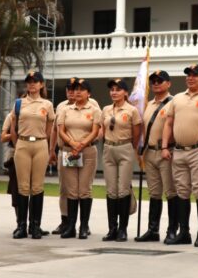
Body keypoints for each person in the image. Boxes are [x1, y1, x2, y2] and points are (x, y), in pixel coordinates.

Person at [161, 64, 198, 247]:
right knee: (182, 192)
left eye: (195, 75)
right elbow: (168, 124)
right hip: (179, 151)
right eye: (188, 75)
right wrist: (164, 146)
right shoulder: (177, 98)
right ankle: (184, 232)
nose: (190, 78)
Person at [11, 70, 56, 239]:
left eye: (35, 81)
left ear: (41, 84)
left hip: (40, 144)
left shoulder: (47, 104)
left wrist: (45, 142)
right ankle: (21, 225)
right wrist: (17, 144)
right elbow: (13, 127)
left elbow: (50, 127)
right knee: (23, 186)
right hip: (23, 143)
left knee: (37, 186)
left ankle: (35, 225)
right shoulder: (19, 103)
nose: (32, 84)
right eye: (29, 81)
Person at [56, 78, 102, 239]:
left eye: (81, 89)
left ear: (89, 93)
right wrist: (72, 144)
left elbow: (95, 131)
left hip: (87, 151)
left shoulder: (94, 110)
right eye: (75, 89)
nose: (77, 92)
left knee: (84, 189)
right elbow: (61, 130)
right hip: (70, 152)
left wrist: (81, 144)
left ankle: (83, 226)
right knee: (71, 190)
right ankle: (70, 227)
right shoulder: (65, 110)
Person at [137, 70, 175, 243]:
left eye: (160, 80)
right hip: (150, 152)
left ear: (168, 83)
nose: (156, 84)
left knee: (171, 192)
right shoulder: (148, 104)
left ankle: (172, 230)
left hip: (166, 152)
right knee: (154, 192)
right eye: (153, 81)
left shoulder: (173, 102)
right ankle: (153, 230)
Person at [102, 78, 141, 241]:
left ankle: (123, 229)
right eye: (112, 89)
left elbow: (137, 132)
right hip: (108, 148)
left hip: (125, 147)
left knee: (123, 189)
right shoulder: (106, 109)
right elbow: (102, 129)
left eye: (118, 89)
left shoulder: (132, 110)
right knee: (111, 190)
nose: (114, 92)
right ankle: (112, 228)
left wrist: (131, 148)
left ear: (125, 93)